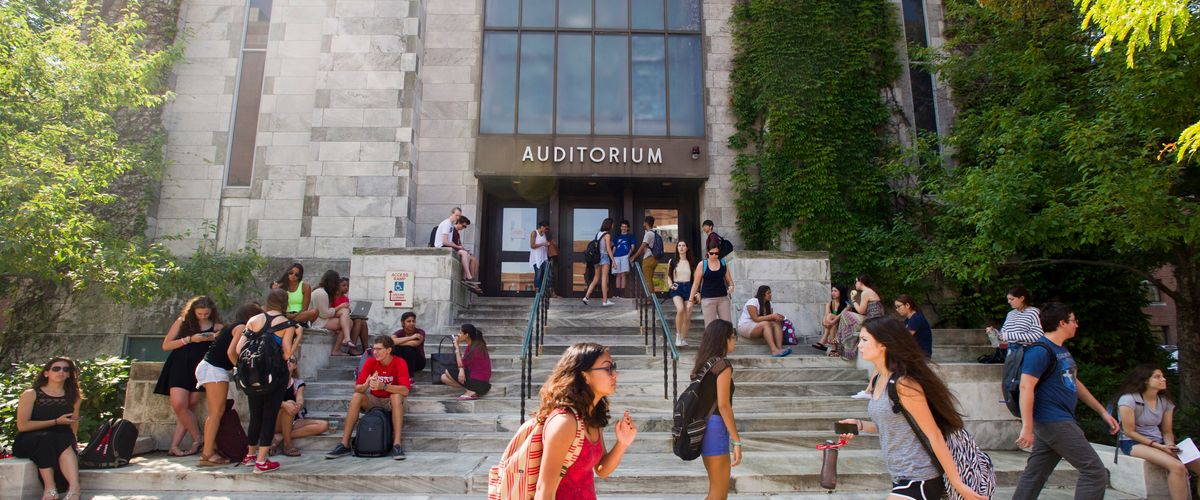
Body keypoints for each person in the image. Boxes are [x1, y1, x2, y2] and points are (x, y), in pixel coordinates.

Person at [836, 317, 986, 500]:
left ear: (884, 344)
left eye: (865, 340)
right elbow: (891, 424)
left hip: (921, 477)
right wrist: (858, 425)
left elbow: (934, 435)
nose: (859, 345)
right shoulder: (878, 380)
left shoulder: (904, 384)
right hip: (900, 476)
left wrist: (957, 483)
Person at [1012, 302, 1118, 500]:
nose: (1076, 325)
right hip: (1054, 421)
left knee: (1035, 475)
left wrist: (1102, 411)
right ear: (1062, 323)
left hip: (1056, 421)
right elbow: (1026, 387)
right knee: (1094, 472)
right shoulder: (1040, 351)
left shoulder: (1060, 350)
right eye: (1073, 321)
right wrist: (1027, 427)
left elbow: (1073, 381)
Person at [532, 343, 638, 498]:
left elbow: (601, 469)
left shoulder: (591, 416)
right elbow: (544, 490)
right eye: (608, 368)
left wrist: (622, 443)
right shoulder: (564, 422)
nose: (615, 374)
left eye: (614, 367)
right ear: (585, 376)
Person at [229, 288, 299, 473]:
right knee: (269, 415)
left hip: (252, 375)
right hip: (275, 376)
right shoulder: (286, 324)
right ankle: (262, 461)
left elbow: (238, 349)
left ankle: (250, 455)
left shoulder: (253, 320)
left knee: (256, 415)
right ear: (285, 303)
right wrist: (297, 338)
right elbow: (286, 354)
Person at [1112, 364, 1199, 500]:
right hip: (1132, 442)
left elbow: (1167, 431)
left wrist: (1169, 445)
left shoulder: (1164, 401)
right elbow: (1129, 432)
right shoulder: (1128, 399)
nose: (1163, 379)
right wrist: (1159, 447)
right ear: (1145, 380)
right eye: (1157, 377)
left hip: (1160, 442)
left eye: (1163, 376)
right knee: (1177, 467)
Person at [154, 296, 223, 457]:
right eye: (200, 314)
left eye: (206, 313)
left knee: (190, 406)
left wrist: (214, 337)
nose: (203, 316)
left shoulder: (216, 326)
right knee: (179, 404)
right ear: (193, 311)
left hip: (200, 368)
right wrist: (190, 339)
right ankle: (198, 437)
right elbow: (166, 345)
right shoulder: (183, 322)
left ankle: (175, 445)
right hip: (179, 364)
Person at [196, 302, 262, 466]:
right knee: (216, 413)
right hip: (214, 370)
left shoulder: (231, 326)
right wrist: (240, 369)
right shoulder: (240, 328)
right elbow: (231, 352)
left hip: (213, 369)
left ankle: (211, 448)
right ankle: (207, 453)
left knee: (217, 412)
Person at [326, 335, 411, 461]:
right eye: (373, 349)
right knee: (356, 396)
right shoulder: (370, 362)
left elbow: (405, 390)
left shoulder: (399, 362)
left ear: (388, 350)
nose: (375, 352)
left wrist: (384, 386)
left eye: (379, 349)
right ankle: (344, 443)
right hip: (375, 400)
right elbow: (357, 388)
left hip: (391, 401)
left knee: (396, 396)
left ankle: (397, 444)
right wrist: (366, 384)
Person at [13, 357, 82, 500]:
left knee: (64, 438)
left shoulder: (74, 396)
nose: (61, 372)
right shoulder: (31, 394)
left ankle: (74, 489)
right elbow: (23, 425)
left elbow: (73, 421)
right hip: (29, 438)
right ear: (46, 373)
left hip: (61, 437)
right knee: (47, 438)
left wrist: (75, 439)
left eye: (66, 369)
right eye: (56, 368)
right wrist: (56, 422)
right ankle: (50, 487)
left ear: (69, 374)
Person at [692, 320, 742, 499]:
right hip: (716, 427)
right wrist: (737, 441)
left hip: (706, 427)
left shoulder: (704, 364)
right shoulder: (723, 365)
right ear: (724, 339)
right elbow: (723, 405)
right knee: (719, 494)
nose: (735, 340)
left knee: (716, 492)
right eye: (733, 337)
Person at [271, 356, 329, 457]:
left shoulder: (298, 383)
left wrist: (299, 405)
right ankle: (288, 445)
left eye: (292, 361)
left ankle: (281, 437)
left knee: (323, 425)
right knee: (289, 404)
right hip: (275, 420)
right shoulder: (273, 380)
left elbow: (300, 398)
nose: (288, 362)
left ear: (295, 366)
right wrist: (285, 405)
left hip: (293, 420)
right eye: (286, 360)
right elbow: (268, 401)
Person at [439, 323, 493, 400]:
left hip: (480, 382)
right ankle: (470, 390)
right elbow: (464, 364)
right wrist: (461, 369)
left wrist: (457, 348)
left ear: (466, 335)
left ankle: (470, 391)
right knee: (443, 377)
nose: (458, 335)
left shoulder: (476, 349)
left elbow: (461, 365)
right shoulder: (472, 346)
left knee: (447, 371)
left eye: (460, 333)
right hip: (477, 380)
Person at [312, 270, 359, 356]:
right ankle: (341, 344)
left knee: (347, 317)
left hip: (323, 318)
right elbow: (324, 314)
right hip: (318, 321)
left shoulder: (324, 292)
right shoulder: (321, 293)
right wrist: (340, 307)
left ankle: (346, 339)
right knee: (348, 322)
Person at [835, 274, 883, 359]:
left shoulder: (865, 292)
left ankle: (843, 347)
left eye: (856, 282)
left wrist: (853, 300)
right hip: (873, 319)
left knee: (845, 314)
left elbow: (861, 311)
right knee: (846, 316)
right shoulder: (869, 291)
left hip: (872, 320)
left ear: (861, 282)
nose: (855, 284)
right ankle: (841, 345)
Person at [738, 285, 790, 357]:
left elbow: (769, 318)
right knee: (765, 324)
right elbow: (755, 319)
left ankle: (779, 348)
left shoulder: (769, 304)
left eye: (770, 293)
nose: (770, 295)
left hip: (757, 325)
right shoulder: (753, 301)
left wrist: (778, 317)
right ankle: (774, 351)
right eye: (768, 293)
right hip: (745, 326)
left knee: (776, 322)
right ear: (762, 294)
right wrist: (772, 316)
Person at [688, 243, 733, 326]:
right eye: (712, 253)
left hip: (723, 298)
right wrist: (690, 301)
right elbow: (696, 284)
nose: (714, 256)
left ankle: (727, 339)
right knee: (710, 327)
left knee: (727, 326)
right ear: (708, 253)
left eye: (717, 253)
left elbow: (729, 281)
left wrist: (731, 287)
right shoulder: (702, 264)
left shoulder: (723, 263)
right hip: (708, 299)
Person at [986, 286, 1043, 350]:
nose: (1008, 302)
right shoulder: (1010, 314)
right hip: (1009, 353)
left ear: (1022, 298)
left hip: (1025, 352)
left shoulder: (1034, 312)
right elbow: (1003, 335)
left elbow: (1038, 335)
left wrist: (1009, 336)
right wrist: (994, 332)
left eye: (1012, 299)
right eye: (1008, 299)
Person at [667, 240, 695, 347]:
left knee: (688, 314)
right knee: (680, 309)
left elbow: (695, 279)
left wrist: (696, 292)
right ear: (677, 248)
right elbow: (668, 276)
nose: (681, 247)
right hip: (677, 287)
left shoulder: (691, 262)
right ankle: (678, 335)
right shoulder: (672, 261)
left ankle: (683, 338)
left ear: (687, 248)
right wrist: (671, 285)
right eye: (679, 245)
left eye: (684, 245)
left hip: (688, 287)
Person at [582, 218, 615, 307]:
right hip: (604, 258)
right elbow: (608, 249)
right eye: (612, 224)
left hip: (596, 258)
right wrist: (613, 261)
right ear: (609, 225)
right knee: (604, 279)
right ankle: (605, 301)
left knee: (596, 279)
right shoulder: (607, 235)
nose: (613, 225)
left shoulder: (598, 234)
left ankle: (586, 297)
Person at [333, 277, 369, 353]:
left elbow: (347, 312)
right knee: (358, 321)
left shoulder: (345, 298)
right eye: (344, 285)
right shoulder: (332, 297)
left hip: (345, 318)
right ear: (337, 286)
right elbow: (330, 311)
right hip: (335, 319)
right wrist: (342, 308)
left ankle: (366, 349)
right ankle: (352, 348)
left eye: (348, 286)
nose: (346, 287)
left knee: (363, 322)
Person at [628, 215, 660, 299]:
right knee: (649, 279)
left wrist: (634, 257)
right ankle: (653, 298)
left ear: (645, 223)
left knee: (647, 280)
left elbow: (642, 247)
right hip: (655, 259)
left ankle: (649, 299)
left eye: (644, 222)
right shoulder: (654, 233)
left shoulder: (648, 234)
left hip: (648, 259)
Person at [814, 284, 851, 355]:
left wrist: (829, 322)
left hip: (844, 324)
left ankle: (823, 341)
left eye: (835, 291)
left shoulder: (847, 304)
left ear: (841, 292)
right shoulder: (829, 304)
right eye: (832, 291)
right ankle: (834, 349)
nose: (833, 293)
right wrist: (825, 322)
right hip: (834, 325)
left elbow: (840, 316)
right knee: (831, 320)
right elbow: (826, 316)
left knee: (831, 319)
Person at [390, 312, 427, 377]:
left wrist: (399, 342)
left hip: (418, 362)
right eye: (408, 321)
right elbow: (391, 341)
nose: (412, 323)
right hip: (404, 361)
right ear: (402, 323)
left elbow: (414, 344)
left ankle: (409, 377)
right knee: (396, 349)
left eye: (413, 321)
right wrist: (411, 337)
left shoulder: (420, 332)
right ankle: (397, 374)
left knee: (408, 349)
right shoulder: (400, 332)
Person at [611, 220, 635, 298]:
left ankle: (622, 294)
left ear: (628, 228)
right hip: (616, 257)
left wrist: (628, 255)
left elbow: (632, 247)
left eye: (625, 227)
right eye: (622, 226)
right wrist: (612, 257)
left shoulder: (630, 236)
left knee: (623, 275)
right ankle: (617, 294)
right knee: (618, 275)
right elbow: (614, 247)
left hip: (625, 256)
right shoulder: (617, 237)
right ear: (620, 227)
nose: (623, 228)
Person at [529, 221, 552, 291]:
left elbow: (545, 245)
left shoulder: (544, 234)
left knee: (548, 274)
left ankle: (549, 292)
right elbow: (532, 246)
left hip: (544, 258)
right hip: (536, 258)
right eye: (546, 228)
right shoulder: (534, 233)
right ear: (542, 227)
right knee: (538, 275)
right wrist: (543, 244)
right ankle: (537, 293)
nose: (547, 230)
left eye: (548, 229)